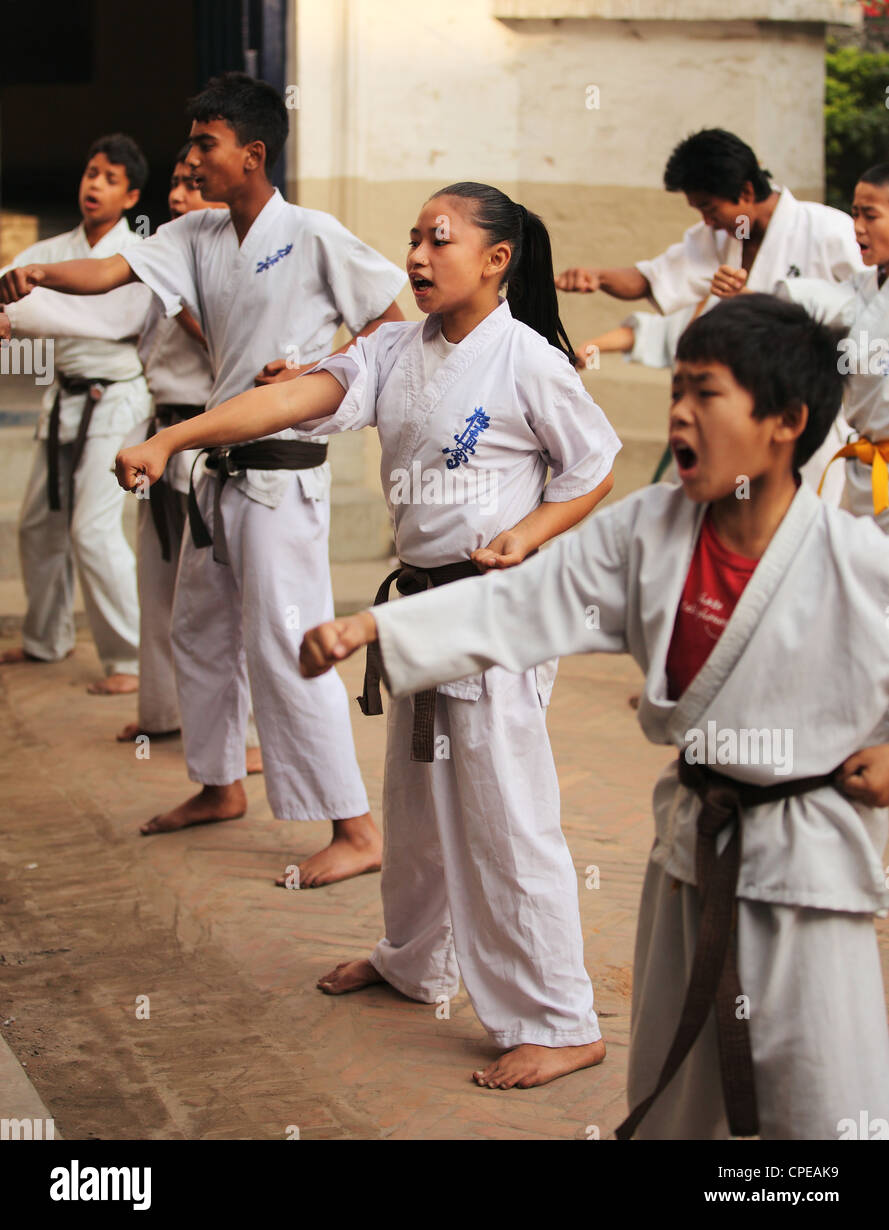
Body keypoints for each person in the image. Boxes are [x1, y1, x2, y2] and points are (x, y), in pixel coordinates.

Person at [297, 296, 889, 1136]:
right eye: (675, 388)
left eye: (705, 393)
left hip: (806, 865)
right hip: (690, 851)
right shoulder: (650, 532)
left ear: (786, 421)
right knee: (673, 1079)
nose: (678, 411)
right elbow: (528, 602)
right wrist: (378, 627)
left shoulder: (854, 559)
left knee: (819, 1086)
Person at [114, 181, 622, 1089]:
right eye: (413, 241)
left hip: (494, 613)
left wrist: (526, 535)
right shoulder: (394, 346)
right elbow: (291, 401)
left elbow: (592, 472)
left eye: (439, 240)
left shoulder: (529, 360)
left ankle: (559, 1017)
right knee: (418, 802)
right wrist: (177, 438)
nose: (417, 258)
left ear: (496, 259)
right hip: (416, 609)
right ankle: (414, 958)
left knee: (505, 816)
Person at [0, 73, 406, 887]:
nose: (190, 158)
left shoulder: (317, 234)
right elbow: (113, 274)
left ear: (253, 155)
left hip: (281, 478)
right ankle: (220, 785)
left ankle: (355, 828)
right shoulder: (198, 236)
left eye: (205, 144)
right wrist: (39, 275)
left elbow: (395, 331)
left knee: (290, 646)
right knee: (200, 631)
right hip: (214, 474)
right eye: (190, 144)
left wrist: (323, 367)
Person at [562, 128, 860, 501]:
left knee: (793, 526)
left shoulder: (829, 231)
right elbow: (651, 279)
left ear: (747, 192)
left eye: (709, 207)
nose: (706, 220)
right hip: (731, 419)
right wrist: (597, 277)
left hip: (799, 416)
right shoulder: (719, 237)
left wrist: (760, 301)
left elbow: (865, 311)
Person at [0, 134, 151, 694]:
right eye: (91, 172)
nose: (95, 185)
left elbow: (126, 321)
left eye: (110, 178)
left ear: (131, 195)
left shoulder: (137, 254)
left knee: (92, 529)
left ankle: (130, 659)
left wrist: (37, 310)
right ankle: (46, 638)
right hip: (63, 395)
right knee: (38, 524)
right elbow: (11, 302)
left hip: (116, 399)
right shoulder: (46, 254)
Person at [778, 162, 889, 534]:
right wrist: (746, 299)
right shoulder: (863, 288)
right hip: (866, 468)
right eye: (855, 213)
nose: (857, 226)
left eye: (870, 215)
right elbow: (817, 301)